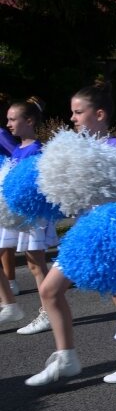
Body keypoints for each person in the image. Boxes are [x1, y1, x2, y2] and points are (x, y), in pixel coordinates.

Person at [24, 82, 116, 387]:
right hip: (83, 232)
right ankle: (67, 358)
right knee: (49, 290)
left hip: (111, 233)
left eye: (78, 112)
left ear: (99, 114)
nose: (72, 118)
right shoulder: (73, 150)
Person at [2, 97, 57, 335]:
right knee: (33, 262)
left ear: (30, 121)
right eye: (8, 119)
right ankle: (9, 304)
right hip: (18, 213)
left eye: (13, 119)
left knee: (36, 263)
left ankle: (48, 312)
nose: (9, 124)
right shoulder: (18, 149)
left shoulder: (36, 149)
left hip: (34, 215)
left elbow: (41, 185)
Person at [0, 93, 20, 297]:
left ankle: (11, 280)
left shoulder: (0, 133)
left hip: (3, 186)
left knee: (4, 238)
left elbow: (16, 153)